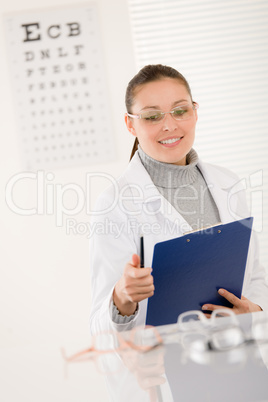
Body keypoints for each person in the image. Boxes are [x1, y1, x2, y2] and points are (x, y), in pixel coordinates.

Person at [89, 64, 268, 335]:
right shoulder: (114, 204)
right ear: (130, 124)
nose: (169, 125)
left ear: (195, 112)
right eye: (151, 116)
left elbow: (254, 276)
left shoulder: (228, 183)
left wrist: (254, 313)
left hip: (236, 355)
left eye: (180, 110)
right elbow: (100, 328)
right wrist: (122, 296)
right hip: (165, 365)